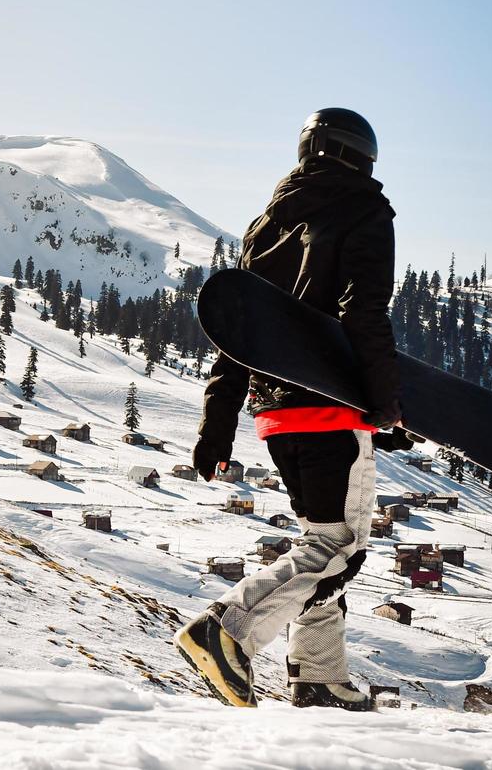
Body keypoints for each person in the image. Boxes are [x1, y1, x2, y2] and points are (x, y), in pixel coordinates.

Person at [174, 108, 406, 711]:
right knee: (340, 548)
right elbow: (363, 312)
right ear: (362, 157)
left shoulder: (267, 223)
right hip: (331, 409)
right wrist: (386, 404)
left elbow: (239, 331)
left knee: (320, 542)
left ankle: (320, 678)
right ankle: (227, 630)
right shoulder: (364, 209)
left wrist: (217, 425)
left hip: (276, 415)